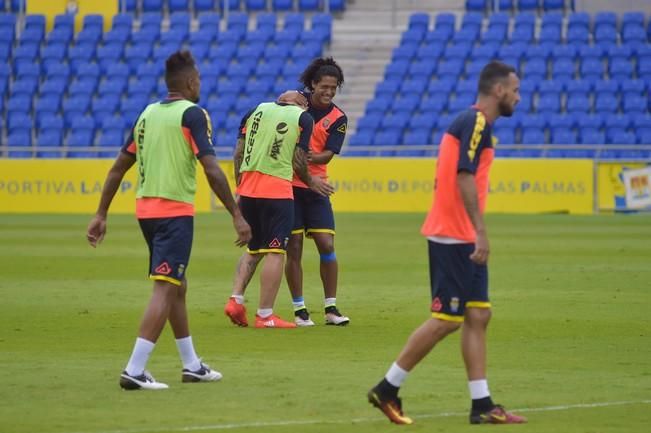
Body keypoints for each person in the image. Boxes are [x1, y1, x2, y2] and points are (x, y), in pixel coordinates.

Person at [367, 61, 527, 424]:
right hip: (454, 235)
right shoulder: (476, 122)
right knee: (446, 319)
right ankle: (387, 388)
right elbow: (464, 175)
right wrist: (480, 231)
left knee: (478, 314)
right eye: (515, 90)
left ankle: (482, 404)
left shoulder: (473, 123)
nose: (519, 97)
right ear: (499, 90)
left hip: (460, 234)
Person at [87, 50, 251, 390]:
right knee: (165, 286)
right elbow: (211, 168)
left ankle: (191, 364)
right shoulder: (193, 115)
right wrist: (236, 214)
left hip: (146, 211)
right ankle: (134, 369)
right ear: (191, 82)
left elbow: (119, 166)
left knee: (178, 284)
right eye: (200, 79)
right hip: (173, 213)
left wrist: (101, 213)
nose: (200, 84)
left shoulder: (146, 115)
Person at [223, 100, 334, 328]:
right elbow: (298, 159)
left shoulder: (255, 109)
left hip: (248, 188)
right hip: (276, 191)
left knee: (253, 249)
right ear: (302, 103)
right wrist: (311, 181)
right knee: (276, 251)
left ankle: (235, 300)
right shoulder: (302, 117)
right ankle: (265, 315)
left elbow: (238, 153)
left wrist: (239, 189)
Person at [278, 57, 350, 327]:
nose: (329, 92)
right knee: (293, 248)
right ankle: (300, 310)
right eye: (324, 87)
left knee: (326, 244)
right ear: (312, 84)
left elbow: (328, 155)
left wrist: (308, 157)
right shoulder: (294, 104)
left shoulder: (338, 118)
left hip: (317, 185)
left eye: (334, 88)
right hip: (289, 186)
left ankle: (331, 308)